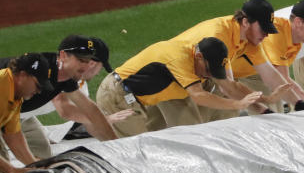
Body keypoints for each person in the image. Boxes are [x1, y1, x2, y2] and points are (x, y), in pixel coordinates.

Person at [0, 35, 119, 160]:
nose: (86, 66)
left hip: (13, 113)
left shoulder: (67, 76)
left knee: (43, 156)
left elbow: (91, 110)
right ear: (63, 56)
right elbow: (11, 131)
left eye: (89, 60)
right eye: (82, 60)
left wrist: (117, 148)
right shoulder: (38, 71)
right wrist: (30, 167)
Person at [170, 0, 304, 119]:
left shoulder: (250, 40)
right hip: (172, 75)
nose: (266, 35)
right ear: (246, 22)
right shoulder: (220, 36)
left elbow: (271, 76)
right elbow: (227, 86)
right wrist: (262, 109)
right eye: (263, 29)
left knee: (222, 119)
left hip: (198, 77)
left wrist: (299, 103)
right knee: (184, 127)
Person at [95, 37, 261, 137]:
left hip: (140, 99)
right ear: (199, 57)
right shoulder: (179, 58)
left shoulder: (196, 58)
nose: (209, 75)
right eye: (209, 70)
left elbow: (226, 85)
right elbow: (198, 96)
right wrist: (237, 104)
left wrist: (262, 101)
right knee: (138, 148)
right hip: (118, 95)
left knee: (158, 141)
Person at [247, 0, 304, 109]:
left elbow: (284, 80)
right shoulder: (277, 34)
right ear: (298, 22)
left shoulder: (295, 42)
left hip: (246, 71)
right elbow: (282, 81)